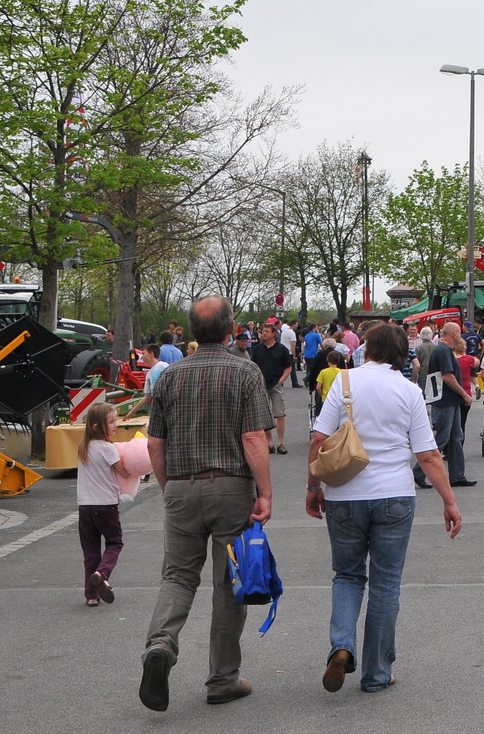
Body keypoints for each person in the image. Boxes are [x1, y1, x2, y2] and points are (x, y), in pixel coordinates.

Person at [307, 323, 463, 694]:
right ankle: (377, 673)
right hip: (394, 494)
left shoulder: (343, 383)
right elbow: (427, 453)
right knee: (385, 582)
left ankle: (342, 645)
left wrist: (314, 487)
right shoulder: (409, 391)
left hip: (344, 494)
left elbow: (318, 439)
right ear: (400, 352)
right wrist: (449, 500)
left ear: (368, 348)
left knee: (346, 575)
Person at [139, 296, 274, 712]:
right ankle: (222, 678)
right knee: (228, 582)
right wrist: (264, 492)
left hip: (180, 485)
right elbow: (254, 438)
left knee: (178, 578)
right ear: (231, 328)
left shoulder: (169, 377)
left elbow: (155, 443)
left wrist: (169, 487)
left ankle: (160, 646)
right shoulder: (245, 372)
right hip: (231, 487)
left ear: (191, 332)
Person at [76, 401, 132, 608]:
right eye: (111, 421)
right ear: (97, 426)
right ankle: (102, 573)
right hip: (106, 505)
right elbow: (123, 472)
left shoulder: (84, 448)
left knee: (90, 552)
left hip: (85, 506)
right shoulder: (108, 449)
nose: (115, 424)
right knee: (115, 543)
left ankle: (92, 595)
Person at [414, 321, 476, 489]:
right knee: (442, 437)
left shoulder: (443, 350)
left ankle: (457, 475)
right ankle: (418, 472)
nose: (461, 336)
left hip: (449, 400)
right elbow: (447, 376)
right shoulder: (443, 351)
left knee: (456, 436)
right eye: (459, 333)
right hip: (445, 400)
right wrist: (464, 393)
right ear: (455, 334)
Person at [252, 323, 292, 455]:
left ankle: (280, 442)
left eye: (267, 331)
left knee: (279, 413)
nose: (264, 333)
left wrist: (281, 380)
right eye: (263, 331)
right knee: (264, 415)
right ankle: (269, 442)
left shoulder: (282, 349)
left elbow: (288, 367)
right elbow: (254, 366)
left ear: (274, 333)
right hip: (261, 385)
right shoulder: (257, 349)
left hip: (276, 384)